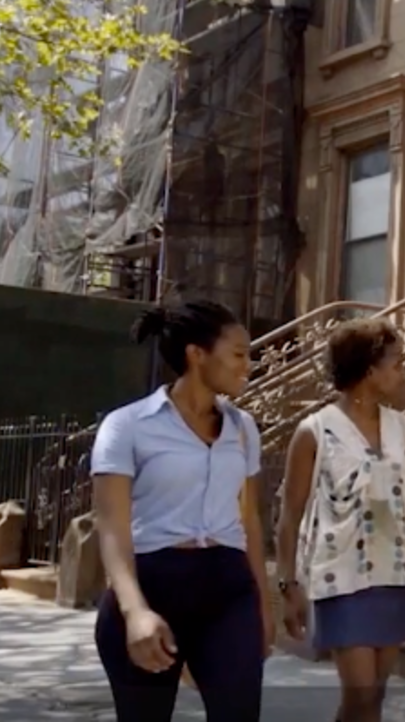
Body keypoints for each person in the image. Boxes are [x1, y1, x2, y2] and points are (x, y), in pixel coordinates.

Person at [90, 300, 272, 722]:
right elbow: (113, 528)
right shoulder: (128, 426)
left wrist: (262, 605)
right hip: (152, 583)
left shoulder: (244, 428)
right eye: (240, 354)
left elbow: (250, 521)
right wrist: (134, 612)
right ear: (197, 354)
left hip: (228, 590)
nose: (250, 364)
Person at [275, 317, 405, 722]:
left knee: (374, 698)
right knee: (360, 696)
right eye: (396, 363)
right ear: (369, 369)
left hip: (397, 570)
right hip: (341, 576)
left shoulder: (403, 428)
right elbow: (290, 513)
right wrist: (288, 583)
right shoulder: (314, 431)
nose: (402, 372)